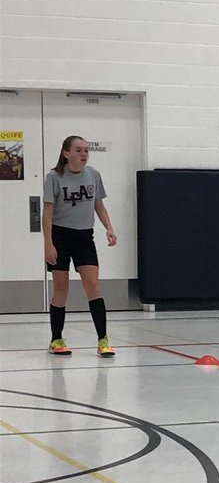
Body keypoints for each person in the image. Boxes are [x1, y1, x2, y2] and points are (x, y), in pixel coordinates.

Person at [42, 135, 117, 357]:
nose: (83, 154)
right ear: (66, 153)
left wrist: (109, 227)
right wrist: (48, 244)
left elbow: (99, 204)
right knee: (61, 289)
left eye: (86, 150)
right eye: (78, 150)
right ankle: (56, 339)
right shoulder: (54, 177)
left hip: (85, 238)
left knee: (93, 286)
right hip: (60, 237)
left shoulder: (93, 175)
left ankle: (103, 339)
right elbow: (47, 213)